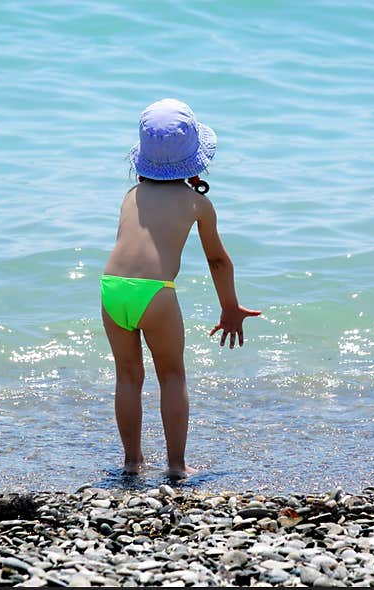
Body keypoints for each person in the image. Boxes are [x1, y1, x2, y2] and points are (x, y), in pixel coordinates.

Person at [101, 98, 260, 479]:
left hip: (111, 289)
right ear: (194, 159)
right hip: (156, 293)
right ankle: (175, 466)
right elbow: (218, 261)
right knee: (172, 376)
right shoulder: (197, 203)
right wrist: (230, 308)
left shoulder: (130, 197)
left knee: (127, 376)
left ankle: (132, 462)